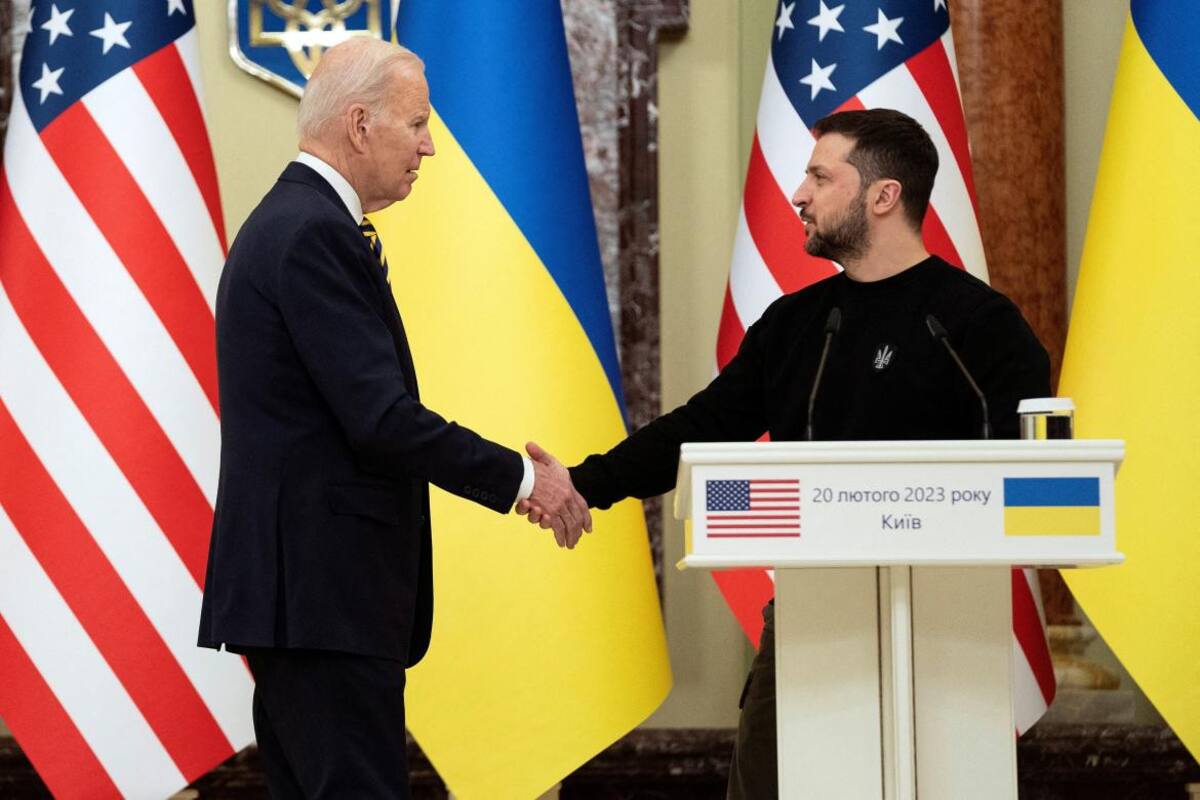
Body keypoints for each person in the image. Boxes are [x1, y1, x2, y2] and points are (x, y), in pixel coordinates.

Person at [520, 108, 1050, 799]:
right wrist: (584, 484)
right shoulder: (800, 324)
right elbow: (702, 427)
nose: (798, 194)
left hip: (951, 627)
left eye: (819, 177)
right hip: (807, 615)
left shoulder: (979, 326)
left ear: (883, 196)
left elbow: (1036, 471)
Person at [197, 38, 590, 799]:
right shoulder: (312, 232)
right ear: (360, 123)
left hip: (308, 601)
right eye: (416, 125)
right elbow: (380, 419)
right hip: (322, 599)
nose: (430, 146)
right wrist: (520, 478)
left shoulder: (296, 221)